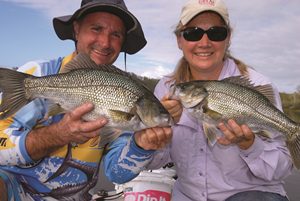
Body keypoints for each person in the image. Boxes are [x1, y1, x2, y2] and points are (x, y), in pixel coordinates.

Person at [104, 0, 293, 200]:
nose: (204, 43)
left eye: (216, 33)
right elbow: (157, 160)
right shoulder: (166, 88)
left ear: (228, 38)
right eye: (193, 33)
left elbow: (281, 170)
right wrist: (150, 140)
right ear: (179, 40)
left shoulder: (258, 85)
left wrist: (250, 145)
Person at [0, 0, 172, 200]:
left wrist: (140, 146)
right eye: (96, 28)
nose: (105, 42)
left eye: (116, 34)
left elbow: (117, 174)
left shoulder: (129, 97)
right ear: (76, 30)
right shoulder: (38, 74)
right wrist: (57, 134)